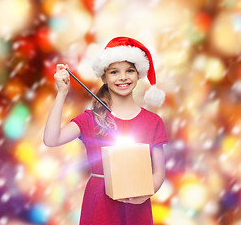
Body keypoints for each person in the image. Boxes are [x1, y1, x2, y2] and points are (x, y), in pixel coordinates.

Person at [43, 36, 168, 225]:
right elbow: (51, 139)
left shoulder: (153, 121)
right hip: (99, 206)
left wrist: (147, 193)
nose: (123, 77)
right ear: (104, 77)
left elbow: (158, 172)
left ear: (138, 74)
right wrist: (61, 92)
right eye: (114, 72)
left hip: (138, 206)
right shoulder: (91, 119)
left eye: (130, 70)